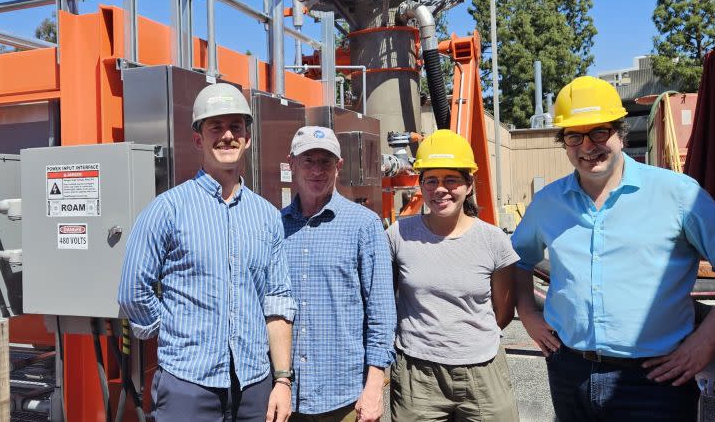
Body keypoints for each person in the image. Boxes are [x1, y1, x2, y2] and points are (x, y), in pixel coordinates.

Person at [512, 76, 715, 421]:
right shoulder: (547, 203)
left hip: (657, 379)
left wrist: (705, 342)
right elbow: (517, 260)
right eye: (574, 135)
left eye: (599, 131)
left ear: (620, 132)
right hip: (570, 371)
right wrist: (527, 314)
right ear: (564, 143)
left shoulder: (677, 195)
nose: (588, 146)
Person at [117, 83, 295, 422]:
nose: (226, 135)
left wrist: (282, 379)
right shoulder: (167, 210)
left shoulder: (267, 216)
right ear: (198, 139)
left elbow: (278, 301)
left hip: (254, 383)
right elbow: (132, 290)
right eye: (215, 126)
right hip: (188, 384)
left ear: (248, 138)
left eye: (235, 127)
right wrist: (172, 330)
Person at [388, 129, 520, 421]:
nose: (440, 189)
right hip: (418, 375)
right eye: (431, 180)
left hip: (483, 371)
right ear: (420, 184)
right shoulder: (399, 235)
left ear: (469, 184)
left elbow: (504, 311)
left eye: (451, 180)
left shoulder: (493, 240)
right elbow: (384, 301)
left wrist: (465, 339)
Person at [280, 126, 396, 422]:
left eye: (326, 162)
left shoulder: (364, 226)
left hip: (345, 398)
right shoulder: (275, 227)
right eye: (308, 161)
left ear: (339, 166)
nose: (317, 170)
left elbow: (381, 314)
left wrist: (373, 388)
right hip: (285, 395)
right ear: (292, 163)